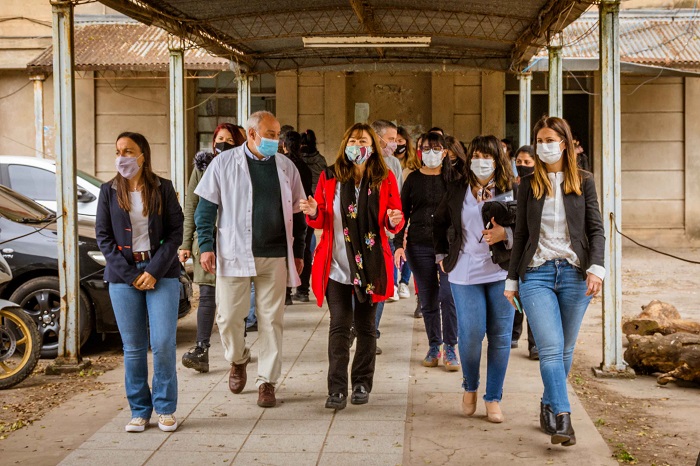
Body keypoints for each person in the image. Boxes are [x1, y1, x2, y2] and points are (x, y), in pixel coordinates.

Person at [194, 110, 306, 408]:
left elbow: (298, 212)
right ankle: (238, 358)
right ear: (252, 134)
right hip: (234, 252)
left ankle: (266, 381)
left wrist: (298, 253)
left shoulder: (286, 167)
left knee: (272, 320)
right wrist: (206, 246)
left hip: (275, 255)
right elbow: (204, 210)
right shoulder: (223, 164)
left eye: (277, 135)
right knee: (229, 317)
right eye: (270, 135)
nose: (276, 141)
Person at [504, 116, 605, 446]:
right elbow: (520, 235)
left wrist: (597, 268)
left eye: (549, 140)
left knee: (564, 351)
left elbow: (595, 230)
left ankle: (548, 403)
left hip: (575, 274)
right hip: (537, 273)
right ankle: (563, 418)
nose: (543, 146)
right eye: (539, 140)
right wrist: (512, 279)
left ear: (564, 143)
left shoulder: (585, 181)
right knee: (548, 349)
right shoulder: (527, 184)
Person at [300, 123, 404, 411]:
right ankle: (336, 389)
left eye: (363, 140)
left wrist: (395, 219)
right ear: (345, 144)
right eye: (354, 140)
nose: (358, 144)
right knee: (339, 327)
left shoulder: (384, 179)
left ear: (373, 146)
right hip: (337, 265)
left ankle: (361, 382)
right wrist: (312, 213)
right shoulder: (329, 176)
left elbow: (393, 218)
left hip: (371, 266)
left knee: (366, 327)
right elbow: (321, 217)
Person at [95, 132, 184, 433]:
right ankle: (139, 410)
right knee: (133, 347)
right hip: (123, 277)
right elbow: (103, 238)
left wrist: (155, 271)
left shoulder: (164, 188)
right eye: (118, 151)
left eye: (128, 151)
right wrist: (132, 275)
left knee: (162, 344)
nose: (122, 157)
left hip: (162, 272)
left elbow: (175, 232)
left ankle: (165, 408)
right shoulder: (108, 191)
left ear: (143, 155)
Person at [433, 134, 516, 424]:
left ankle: (493, 398)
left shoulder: (511, 190)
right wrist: (441, 255)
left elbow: (527, 228)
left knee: (501, 336)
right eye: (477, 156)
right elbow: (440, 222)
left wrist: (506, 235)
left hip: (502, 271)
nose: (481, 162)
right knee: (470, 334)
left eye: (488, 157)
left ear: (498, 160)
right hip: (464, 270)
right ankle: (470, 386)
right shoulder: (457, 189)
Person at [179, 123, 246, 373]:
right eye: (219, 138)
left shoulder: (245, 169)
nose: (223, 143)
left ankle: (238, 348)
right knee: (207, 296)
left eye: (230, 140)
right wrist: (186, 244)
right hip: (206, 242)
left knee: (234, 301)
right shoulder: (202, 169)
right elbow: (191, 207)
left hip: (236, 243)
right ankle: (201, 349)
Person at [394, 131, 459, 370]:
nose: (431, 154)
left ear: (444, 152)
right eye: (426, 149)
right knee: (428, 298)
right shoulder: (412, 179)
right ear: (419, 152)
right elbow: (402, 213)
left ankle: (451, 346)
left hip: (450, 248)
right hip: (419, 246)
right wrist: (398, 244)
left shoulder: (454, 179)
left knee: (448, 296)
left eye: (436, 148)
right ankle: (434, 345)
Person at [370, 119, 403, 353]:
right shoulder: (359, 163)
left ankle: (372, 332)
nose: (394, 144)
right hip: (360, 235)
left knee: (381, 288)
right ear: (377, 138)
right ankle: (357, 327)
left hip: (385, 236)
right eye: (390, 139)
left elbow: (397, 201)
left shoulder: (393, 164)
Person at [511, 145, 538, 360]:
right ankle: (513, 334)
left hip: (536, 250)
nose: (522, 166)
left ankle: (534, 345)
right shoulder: (513, 186)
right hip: (517, 246)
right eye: (519, 162)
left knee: (535, 299)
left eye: (527, 163)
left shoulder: (539, 187)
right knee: (516, 293)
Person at [282, 131, 313, 305]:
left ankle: (286, 292)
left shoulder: (282, 165)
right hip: (304, 212)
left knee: (286, 251)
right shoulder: (305, 167)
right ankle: (302, 290)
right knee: (304, 250)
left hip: (287, 213)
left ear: (284, 146)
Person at [395, 126, 421, 302]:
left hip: (410, 210)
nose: (397, 144)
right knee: (395, 245)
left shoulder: (413, 165)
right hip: (393, 210)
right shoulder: (385, 162)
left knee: (408, 245)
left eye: (400, 141)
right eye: (394, 141)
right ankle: (394, 284)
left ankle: (404, 280)